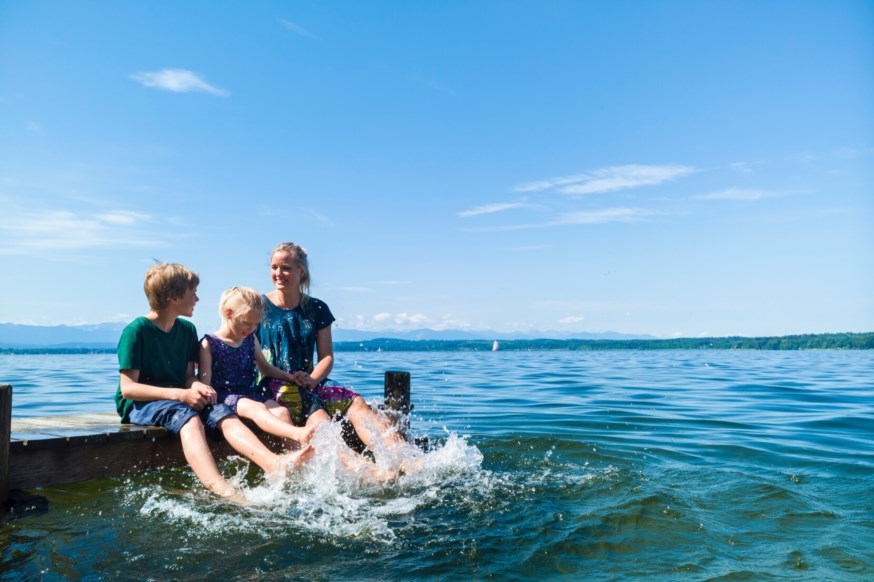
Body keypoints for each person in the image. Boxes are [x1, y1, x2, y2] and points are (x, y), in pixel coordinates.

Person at [115, 263, 312, 501]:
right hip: (142, 404)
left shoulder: (186, 329)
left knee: (223, 413)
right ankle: (220, 488)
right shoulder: (136, 331)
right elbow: (129, 389)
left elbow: (188, 377)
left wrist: (196, 385)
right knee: (191, 420)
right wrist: (180, 394)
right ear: (173, 298)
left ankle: (275, 464)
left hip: (179, 398)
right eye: (192, 293)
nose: (197, 299)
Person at [258, 242, 405, 455]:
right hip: (272, 383)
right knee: (320, 418)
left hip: (310, 381)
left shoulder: (317, 308)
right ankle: (357, 465)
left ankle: (401, 456)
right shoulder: (258, 307)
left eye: (285, 268)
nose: (278, 273)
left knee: (356, 402)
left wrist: (312, 379)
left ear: (301, 271)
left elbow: (326, 357)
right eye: (274, 267)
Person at [199, 286, 330, 448]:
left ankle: (296, 453)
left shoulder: (250, 339)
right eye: (247, 323)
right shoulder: (209, 344)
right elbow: (205, 385)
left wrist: (289, 377)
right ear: (229, 313)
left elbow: (265, 368)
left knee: (281, 412)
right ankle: (298, 434)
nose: (252, 329)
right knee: (256, 408)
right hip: (223, 396)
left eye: (256, 324)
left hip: (248, 393)